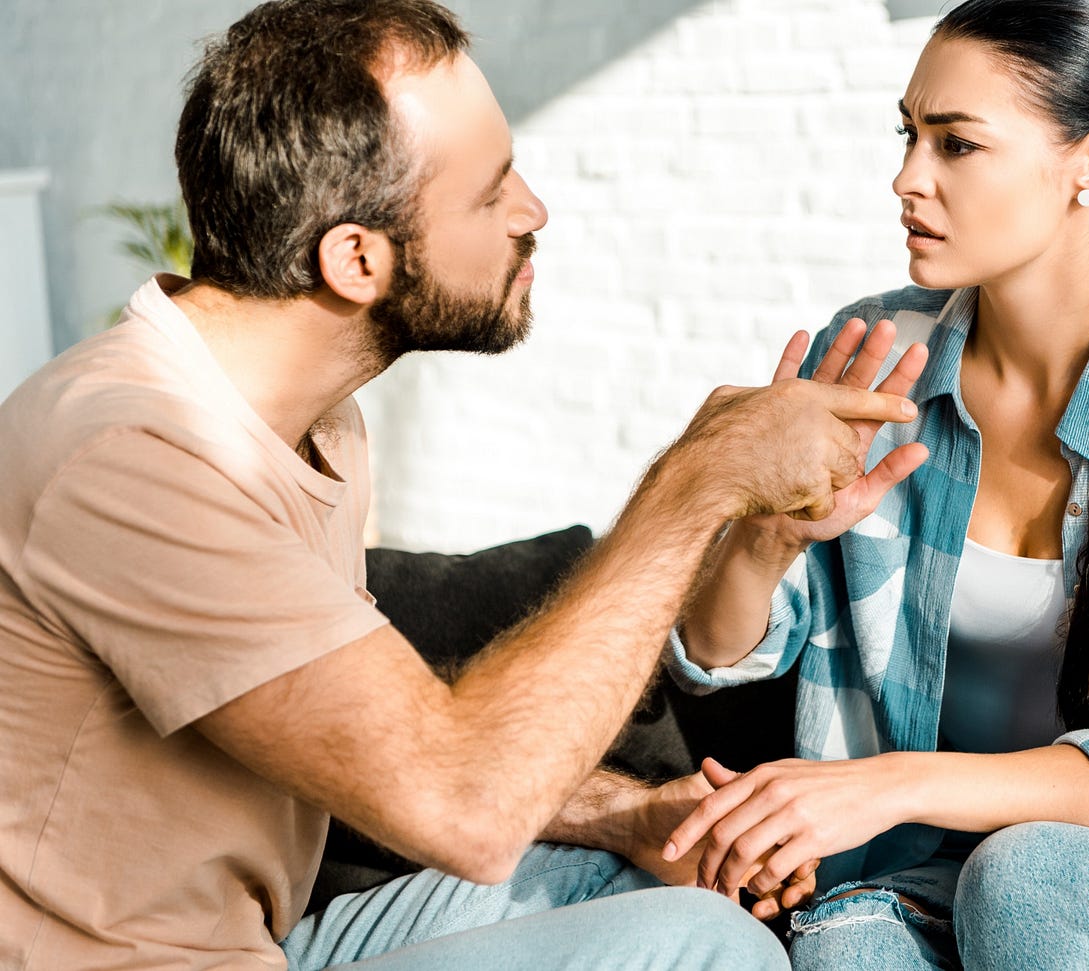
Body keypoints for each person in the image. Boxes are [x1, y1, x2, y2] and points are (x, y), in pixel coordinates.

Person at [0, 1, 930, 968]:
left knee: (657, 873)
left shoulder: (314, 421)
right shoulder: (131, 456)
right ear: (356, 259)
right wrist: (700, 479)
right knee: (700, 944)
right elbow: (467, 809)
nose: (533, 210)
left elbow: (357, 734)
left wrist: (629, 812)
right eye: (490, 195)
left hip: (261, 940)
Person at [664, 1, 1089, 968]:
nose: (908, 178)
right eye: (909, 135)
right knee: (839, 947)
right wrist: (760, 536)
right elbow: (716, 652)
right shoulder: (869, 358)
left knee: (1026, 875)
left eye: (957, 144)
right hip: (916, 875)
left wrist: (894, 784)